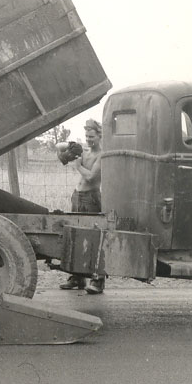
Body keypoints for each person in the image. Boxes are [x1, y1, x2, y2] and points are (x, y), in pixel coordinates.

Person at [60, 118, 106, 294]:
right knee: (76, 236)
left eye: (92, 136)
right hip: (77, 196)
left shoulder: (101, 155)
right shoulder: (84, 151)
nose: (88, 139)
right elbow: (59, 148)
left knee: (93, 237)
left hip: (90, 198)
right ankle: (77, 277)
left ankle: (98, 280)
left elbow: (91, 177)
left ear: (99, 136)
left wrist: (78, 166)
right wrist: (70, 146)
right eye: (86, 136)